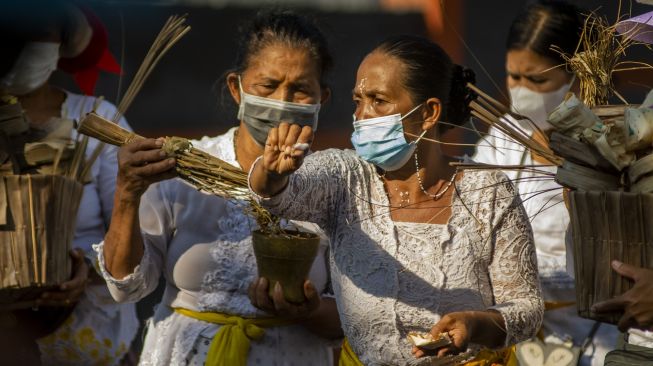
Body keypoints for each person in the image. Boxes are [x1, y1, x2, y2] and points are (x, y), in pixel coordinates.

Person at [248, 34, 543, 365]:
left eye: (379, 101)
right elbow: (279, 195)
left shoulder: (487, 191)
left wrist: (475, 324)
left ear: (429, 112)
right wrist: (272, 174)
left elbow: (526, 309)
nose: (362, 114)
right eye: (358, 100)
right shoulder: (344, 177)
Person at [95, 9, 342, 366]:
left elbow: (353, 319)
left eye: (301, 89)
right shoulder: (182, 171)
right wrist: (127, 193)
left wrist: (309, 309)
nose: (282, 102)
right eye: (268, 86)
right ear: (236, 89)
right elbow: (126, 286)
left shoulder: (333, 185)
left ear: (323, 99)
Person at [473, 1, 619, 364]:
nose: (521, 90)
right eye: (513, 76)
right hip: (512, 338)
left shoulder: (614, 147)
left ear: (579, 73)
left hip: (599, 336)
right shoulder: (500, 141)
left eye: (537, 79)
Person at [0, 1, 138, 365]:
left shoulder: (97, 120)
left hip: (86, 341)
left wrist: (86, 271)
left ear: (62, 39)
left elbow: (138, 231)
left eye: (40, 32)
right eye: (16, 31)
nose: (28, 44)